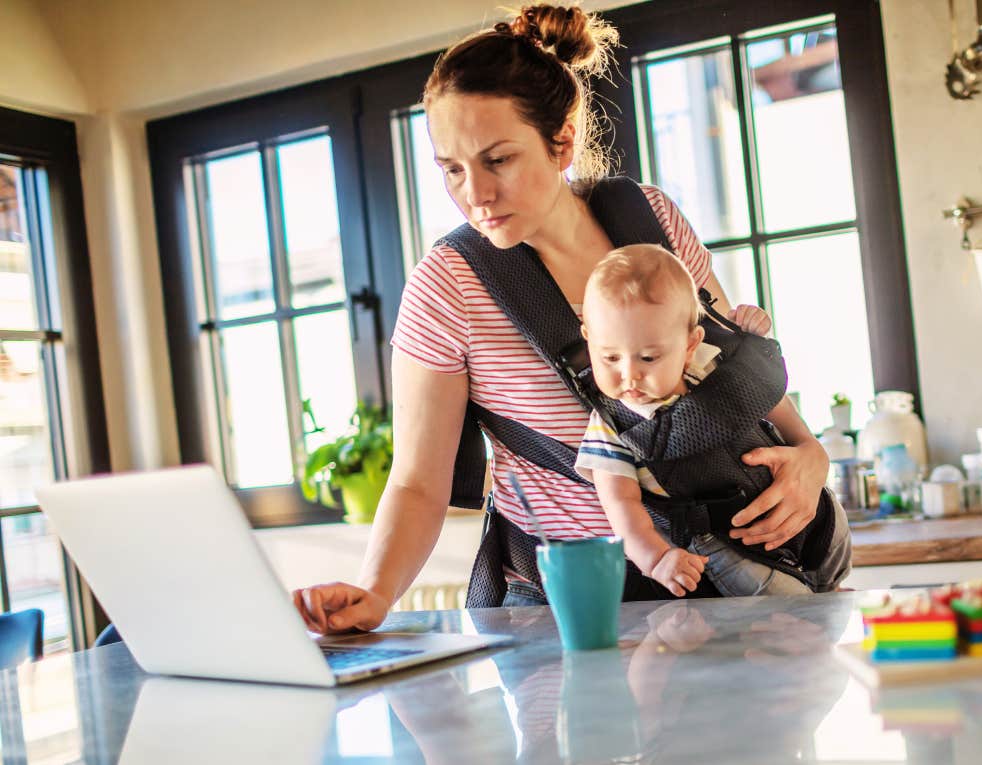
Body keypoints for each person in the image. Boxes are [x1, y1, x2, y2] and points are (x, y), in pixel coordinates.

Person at [293, 3, 849, 633]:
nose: (474, 193)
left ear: (560, 141)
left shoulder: (652, 219)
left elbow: (726, 363)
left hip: (742, 588)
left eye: (497, 159)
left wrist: (810, 454)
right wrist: (375, 591)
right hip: (582, 614)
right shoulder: (447, 286)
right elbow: (418, 483)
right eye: (452, 168)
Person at [574, 244, 846, 598]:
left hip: (804, 506)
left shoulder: (709, 365)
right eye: (609, 357)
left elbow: (763, 383)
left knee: (835, 574)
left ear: (690, 345)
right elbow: (620, 505)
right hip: (724, 540)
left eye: (648, 357)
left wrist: (750, 334)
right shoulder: (612, 425)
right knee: (788, 610)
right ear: (589, 341)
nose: (629, 375)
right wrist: (656, 560)